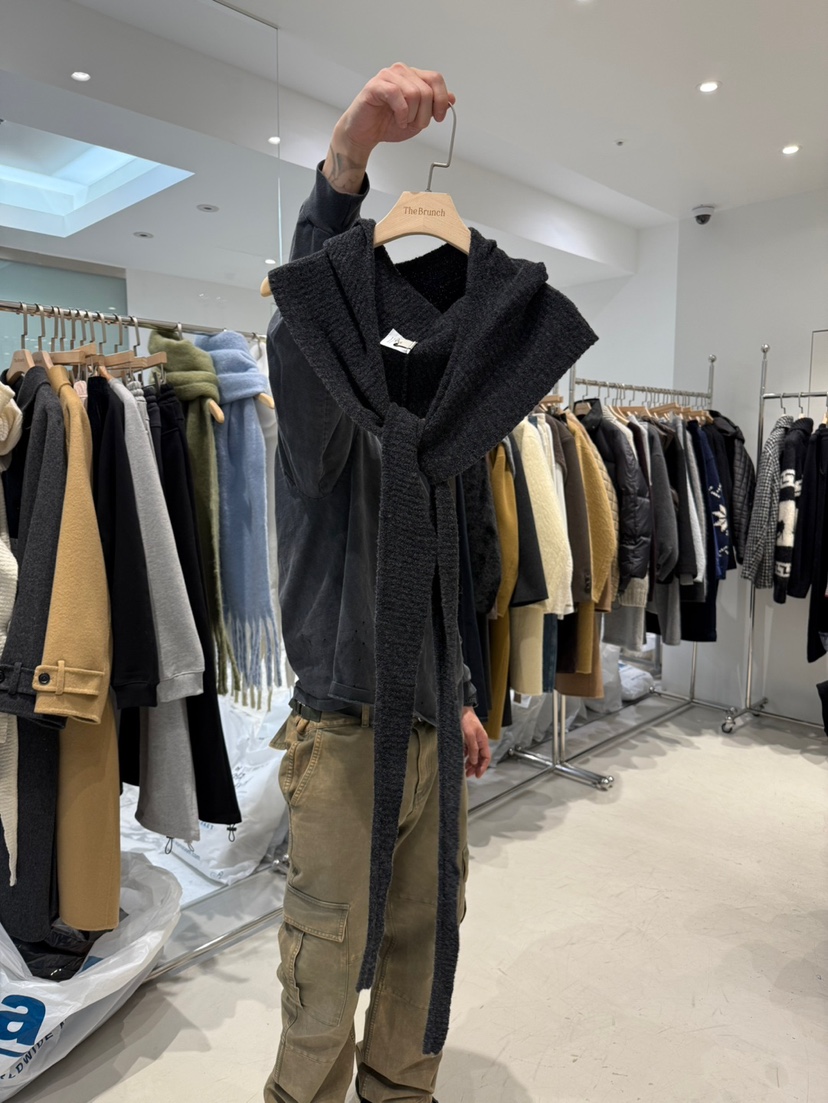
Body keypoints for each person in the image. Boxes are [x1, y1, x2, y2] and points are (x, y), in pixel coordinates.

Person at [264, 64, 492, 1103]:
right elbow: (303, 323)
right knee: (322, 987)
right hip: (348, 737)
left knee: (422, 965)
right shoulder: (323, 399)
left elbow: (457, 567)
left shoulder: (450, 410)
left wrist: (464, 690)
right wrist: (346, 164)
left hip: (433, 730)